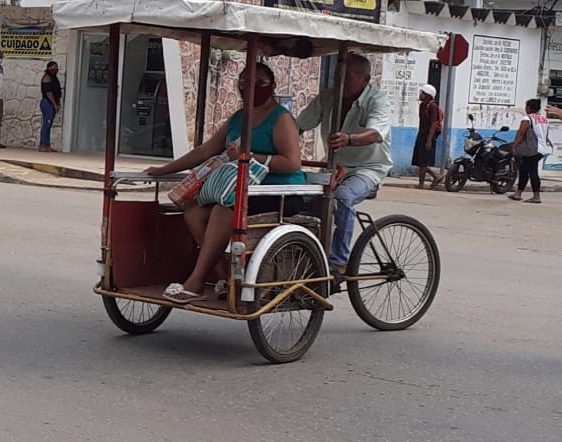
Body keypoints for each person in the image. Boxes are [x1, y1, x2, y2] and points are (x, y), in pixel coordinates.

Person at [144, 61, 306, 303]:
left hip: (276, 192)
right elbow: (205, 151)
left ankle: (195, 283)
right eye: (243, 82)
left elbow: (292, 162)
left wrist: (250, 156)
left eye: (258, 82)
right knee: (194, 211)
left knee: (223, 211)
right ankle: (225, 277)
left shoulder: (280, 118)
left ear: (271, 86)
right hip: (237, 190)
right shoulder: (238, 117)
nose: (248, 87)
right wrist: (164, 169)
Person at [294, 53, 393, 277]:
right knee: (299, 198)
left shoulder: (377, 101)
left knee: (342, 197)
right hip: (332, 168)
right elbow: (299, 125)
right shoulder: (327, 98)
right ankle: (310, 251)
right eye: (338, 76)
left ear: (365, 80)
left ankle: (338, 261)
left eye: (347, 77)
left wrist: (349, 139)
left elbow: (375, 133)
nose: (340, 82)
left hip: (368, 168)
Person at [509, 97, 552, 204]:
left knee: (532, 171)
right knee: (524, 169)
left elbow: (521, 133)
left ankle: (536, 196)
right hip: (542, 149)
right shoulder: (545, 119)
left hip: (532, 149)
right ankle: (518, 193)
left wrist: (514, 146)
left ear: (528, 107)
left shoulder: (527, 119)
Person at [413, 83, 442, 189]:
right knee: (419, 161)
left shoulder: (432, 106)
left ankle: (421, 184)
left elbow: (433, 123)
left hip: (428, 137)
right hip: (421, 135)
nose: (420, 95)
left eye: (422, 93)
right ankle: (435, 176)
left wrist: (429, 140)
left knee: (423, 161)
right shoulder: (422, 106)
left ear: (427, 95)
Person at [39, 60, 62, 151]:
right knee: (46, 124)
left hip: (52, 103)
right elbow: (49, 93)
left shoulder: (54, 78)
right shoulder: (47, 77)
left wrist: (57, 103)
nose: (55, 69)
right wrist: (54, 104)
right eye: (53, 67)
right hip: (47, 103)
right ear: (49, 68)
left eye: (56, 67)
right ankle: (43, 145)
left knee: (49, 124)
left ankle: (47, 145)